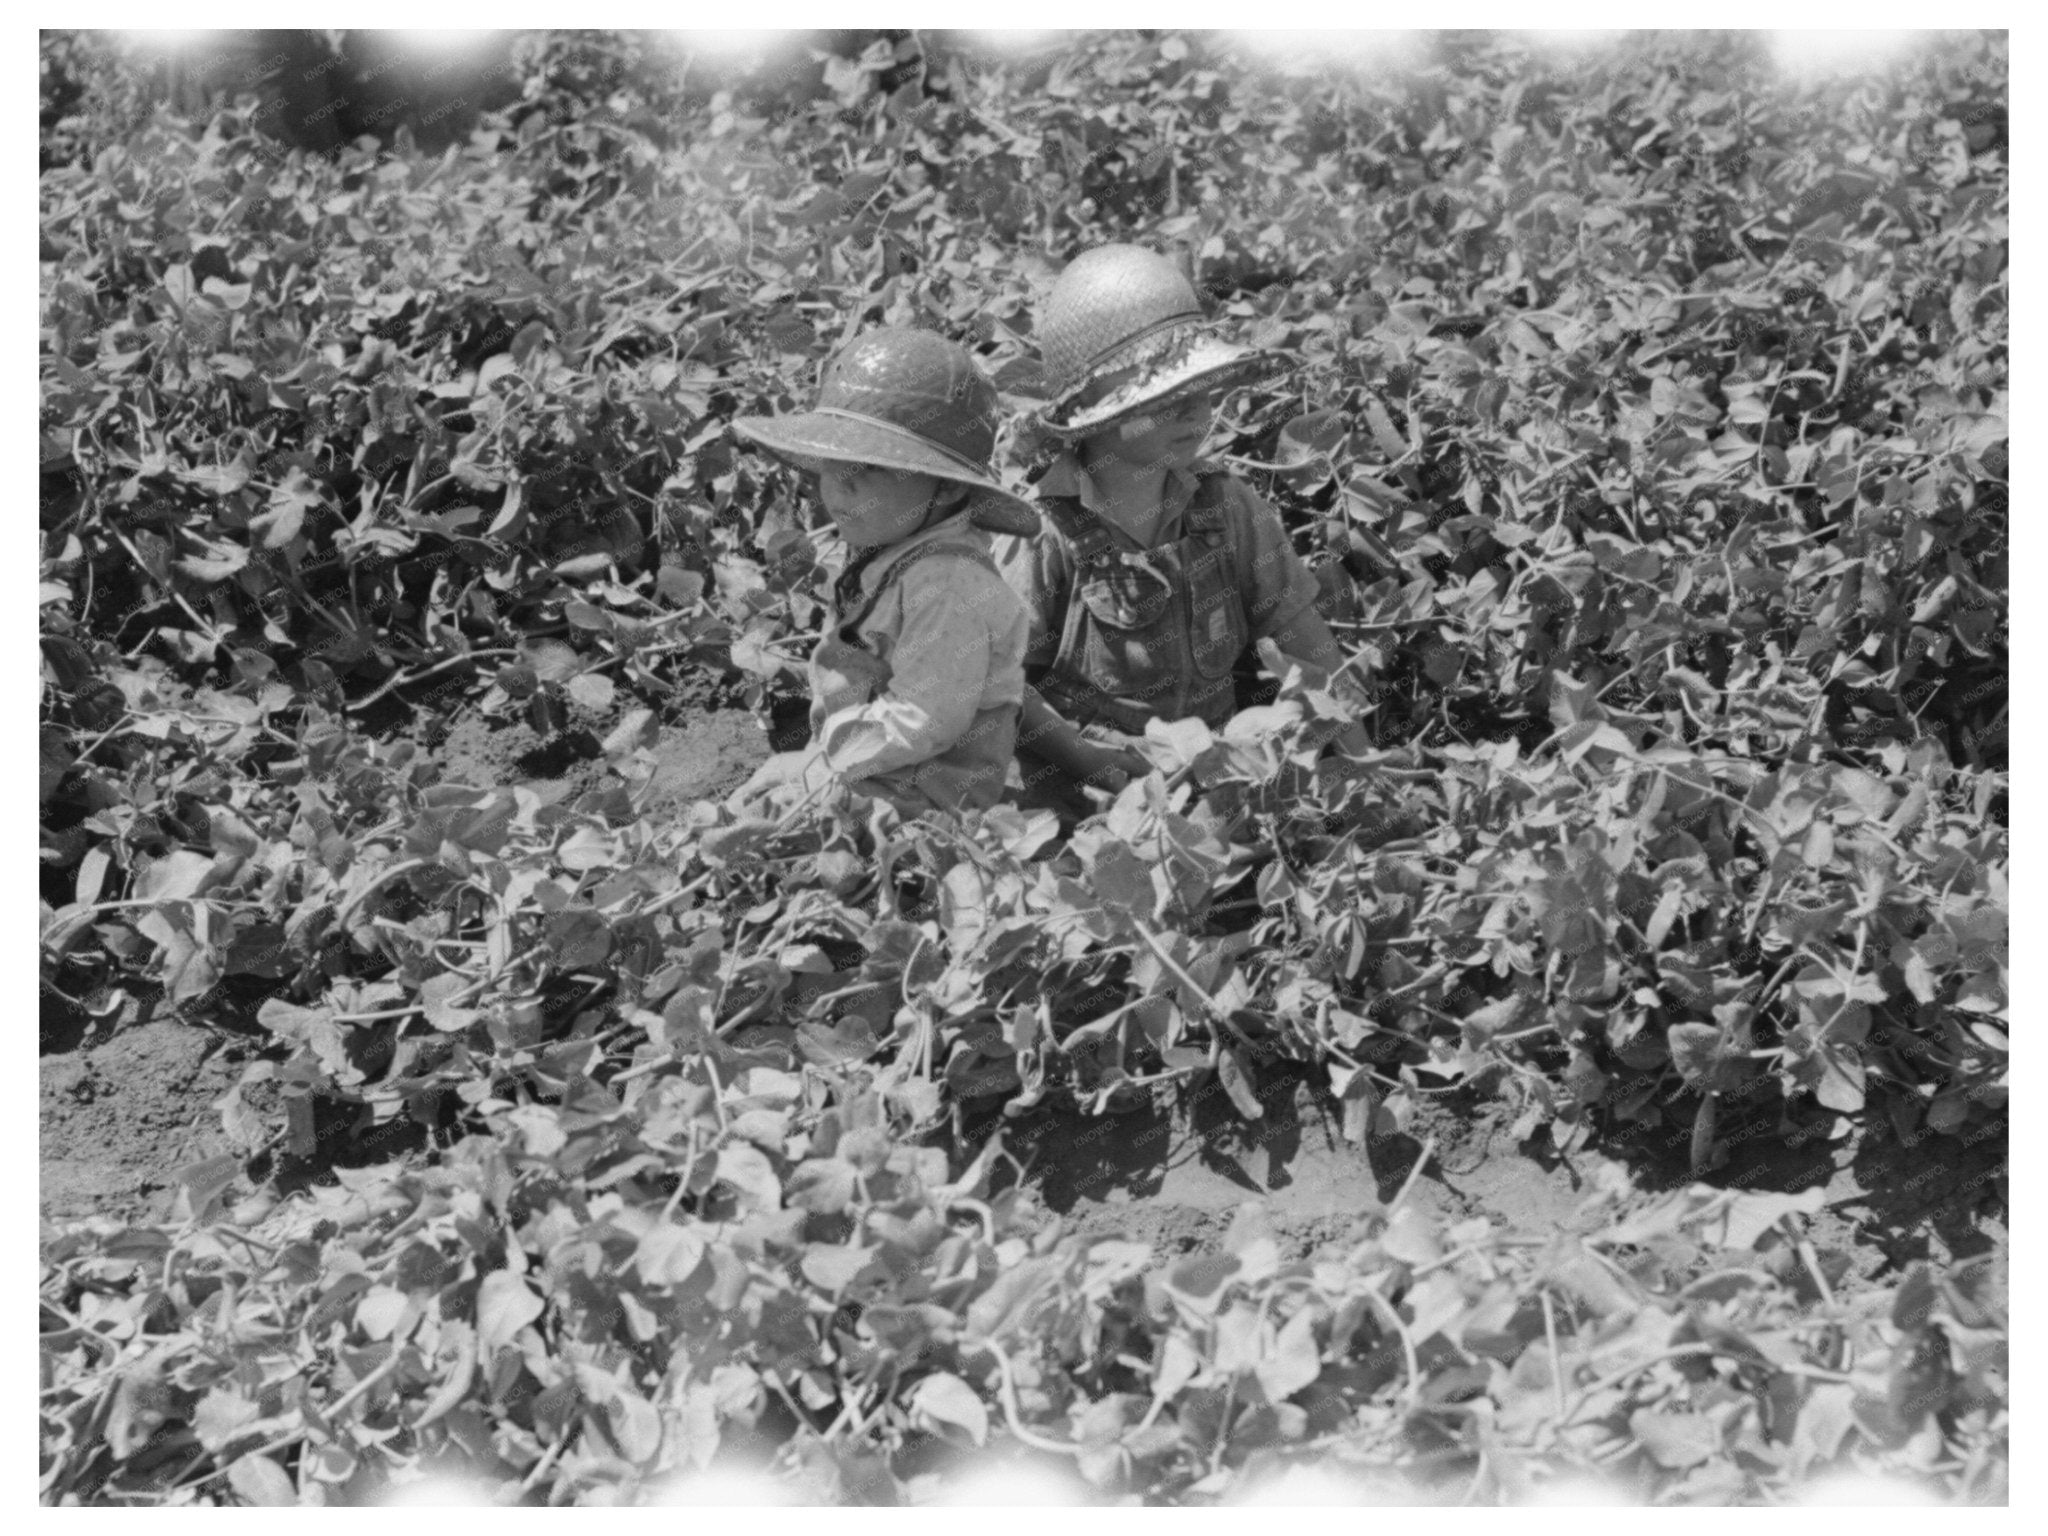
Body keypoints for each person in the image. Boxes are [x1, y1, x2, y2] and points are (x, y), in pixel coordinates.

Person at [999, 244, 1372, 816]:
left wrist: (1364, 762)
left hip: (1222, 779)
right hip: (1087, 800)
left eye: (1202, 392)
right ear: (1097, 411)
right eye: (1169, 398)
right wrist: (1084, 760)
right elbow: (1001, 683)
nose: (1197, 413)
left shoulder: (1228, 508)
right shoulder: (1046, 532)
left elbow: (1301, 635)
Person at [724, 327, 1038, 819]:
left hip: (930, 793)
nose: (841, 486)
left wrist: (820, 766)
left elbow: (922, 722)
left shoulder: (947, 584)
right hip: (877, 769)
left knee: (775, 826)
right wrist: (815, 762)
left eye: (873, 469)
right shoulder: (892, 547)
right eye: (834, 462)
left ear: (951, 490)